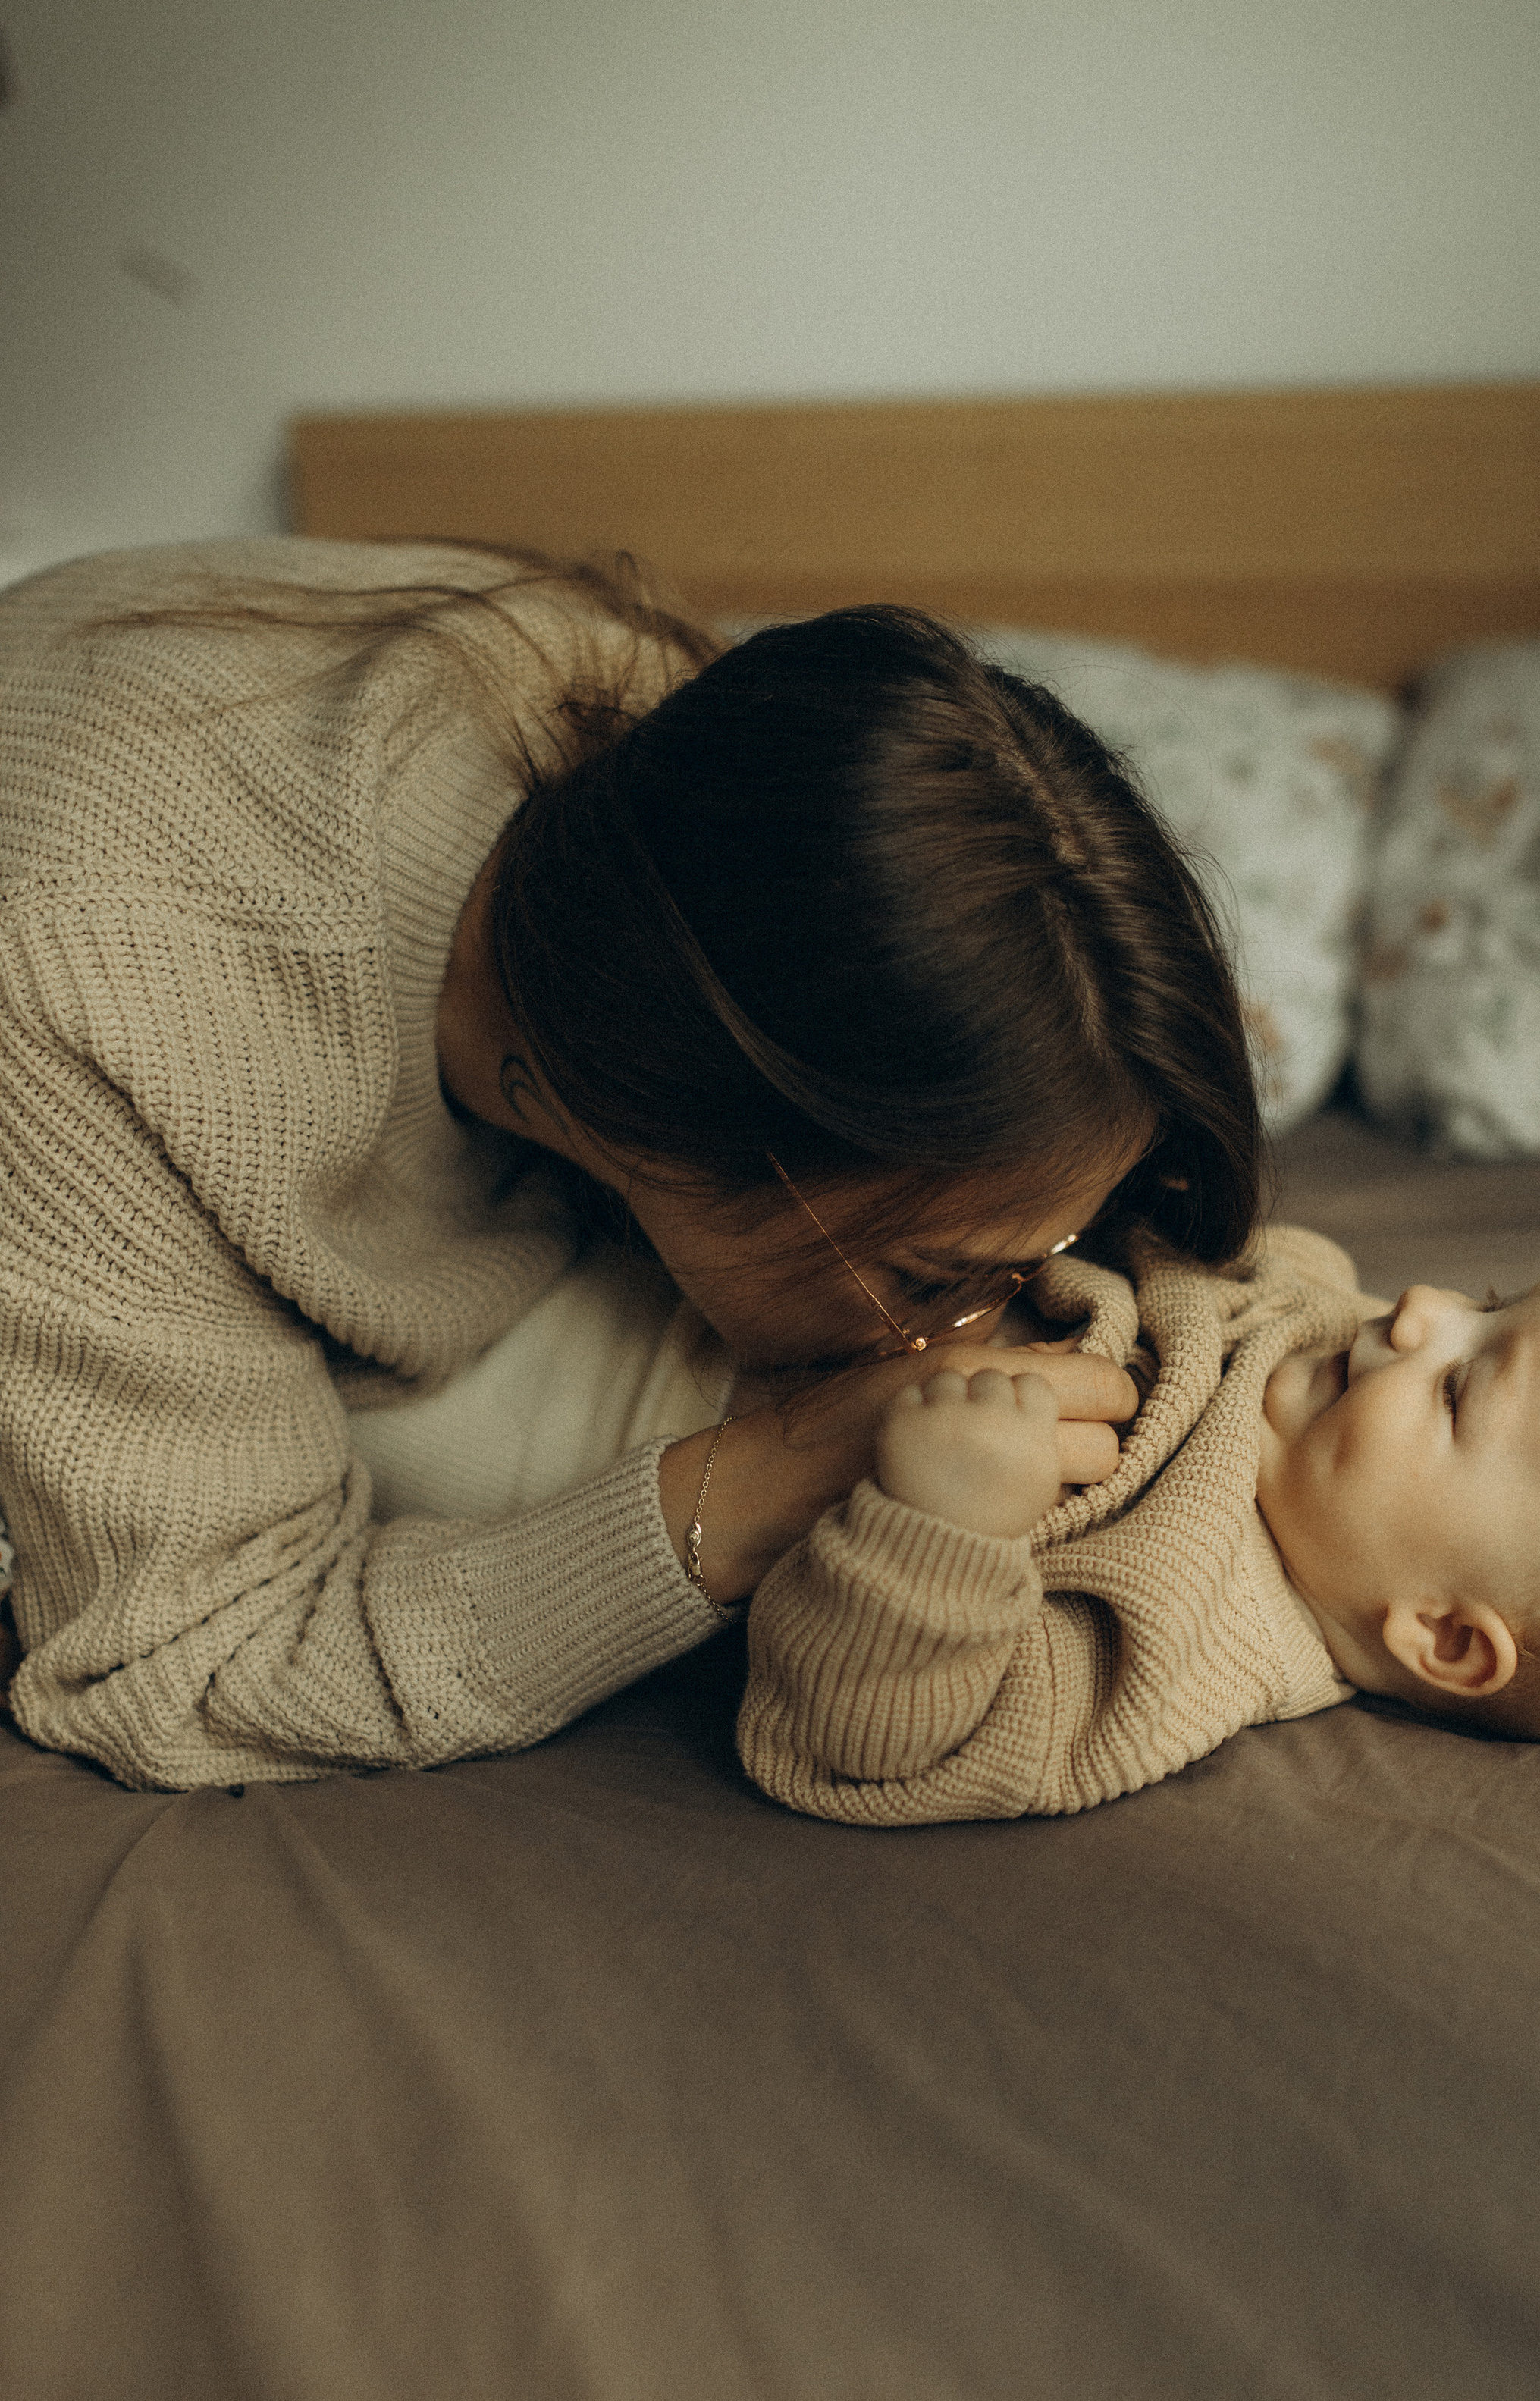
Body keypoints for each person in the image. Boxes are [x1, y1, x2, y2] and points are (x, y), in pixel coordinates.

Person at [0, 539, 1275, 1789]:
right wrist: (779, 1476)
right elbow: (188, 1659)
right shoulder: (88, 1004)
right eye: (932, 1278)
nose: (968, 1332)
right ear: (690, 1116)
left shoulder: (701, 767)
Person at [735, 1227, 1540, 1824]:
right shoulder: (1333, 1347)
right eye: (1493, 1304)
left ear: (1443, 1635)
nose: (1421, 1310)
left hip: (726, 1403)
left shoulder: (1190, 1637)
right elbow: (1281, 1255)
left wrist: (943, 1526)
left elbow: (871, 1742)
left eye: (1459, 1387)